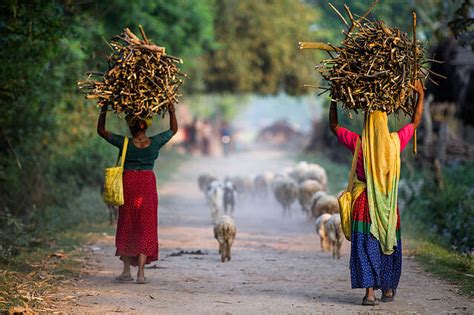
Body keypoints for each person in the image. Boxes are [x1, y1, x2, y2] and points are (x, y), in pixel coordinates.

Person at [329, 81, 424, 305]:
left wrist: (333, 98)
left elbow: (334, 126)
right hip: (387, 204)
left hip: (364, 202)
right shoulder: (395, 142)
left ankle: (370, 293)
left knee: (365, 245)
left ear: (367, 124)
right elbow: (416, 121)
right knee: (387, 240)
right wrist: (420, 95)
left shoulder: (359, 143)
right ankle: (388, 289)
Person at [97, 103, 178, 284]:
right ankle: (141, 274)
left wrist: (104, 109)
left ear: (131, 126)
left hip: (129, 183)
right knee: (146, 225)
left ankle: (126, 271)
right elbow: (173, 129)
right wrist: (172, 111)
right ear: (145, 125)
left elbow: (101, 131)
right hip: (147, 183)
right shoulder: (155, 142)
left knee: (127, 223)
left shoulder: (124, 142)